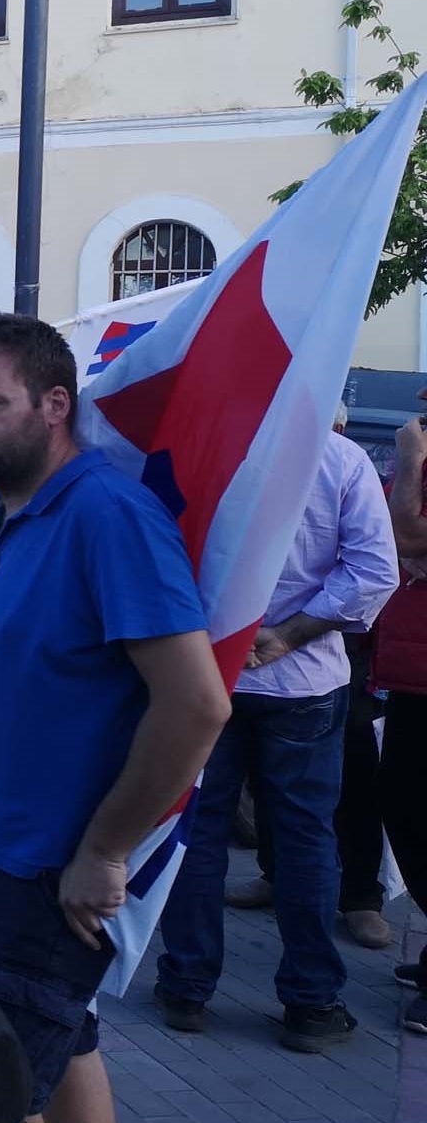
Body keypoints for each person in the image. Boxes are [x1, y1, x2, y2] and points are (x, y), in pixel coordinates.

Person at [0, 314, 228, 1122]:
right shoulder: (10, 511)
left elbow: (196, 703)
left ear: (55, 404)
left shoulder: (107, 516)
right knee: (64, 1042)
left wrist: (105, 849)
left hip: (49, 870)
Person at [153, 417, 396, 1049]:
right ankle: (309, 1001)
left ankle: (188, 985)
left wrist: (277, 636)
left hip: (219, 673)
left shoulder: (207, 442)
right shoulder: (340, 458)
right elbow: (374, 571)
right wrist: (290, 635)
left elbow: (161, 551)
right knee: (302, 838)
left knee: (203, 831)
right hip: (285, 681)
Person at [378, 407, 427, 1035]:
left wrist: (411, 456)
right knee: (401, 802)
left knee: (413, 809)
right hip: (413, 668)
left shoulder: (417, 454)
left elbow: (406, 537)